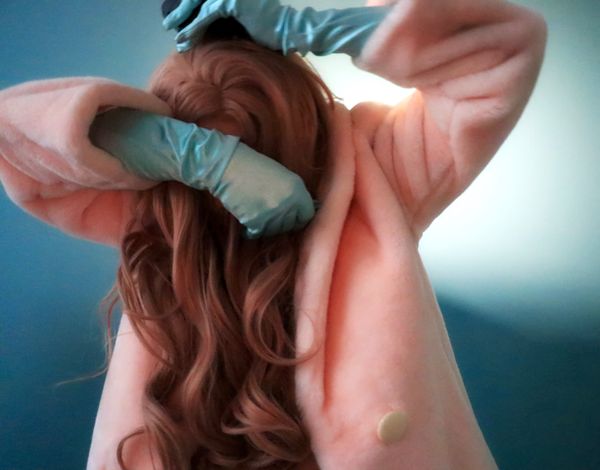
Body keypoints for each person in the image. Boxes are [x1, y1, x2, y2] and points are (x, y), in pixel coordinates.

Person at [0, 0, 547, 468]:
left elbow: (500, 53)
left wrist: (304, 26)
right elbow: (13, 132)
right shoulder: (150, 211)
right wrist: (203, 160)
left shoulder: (378, 175)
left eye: (258, 151)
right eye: (213, 161)